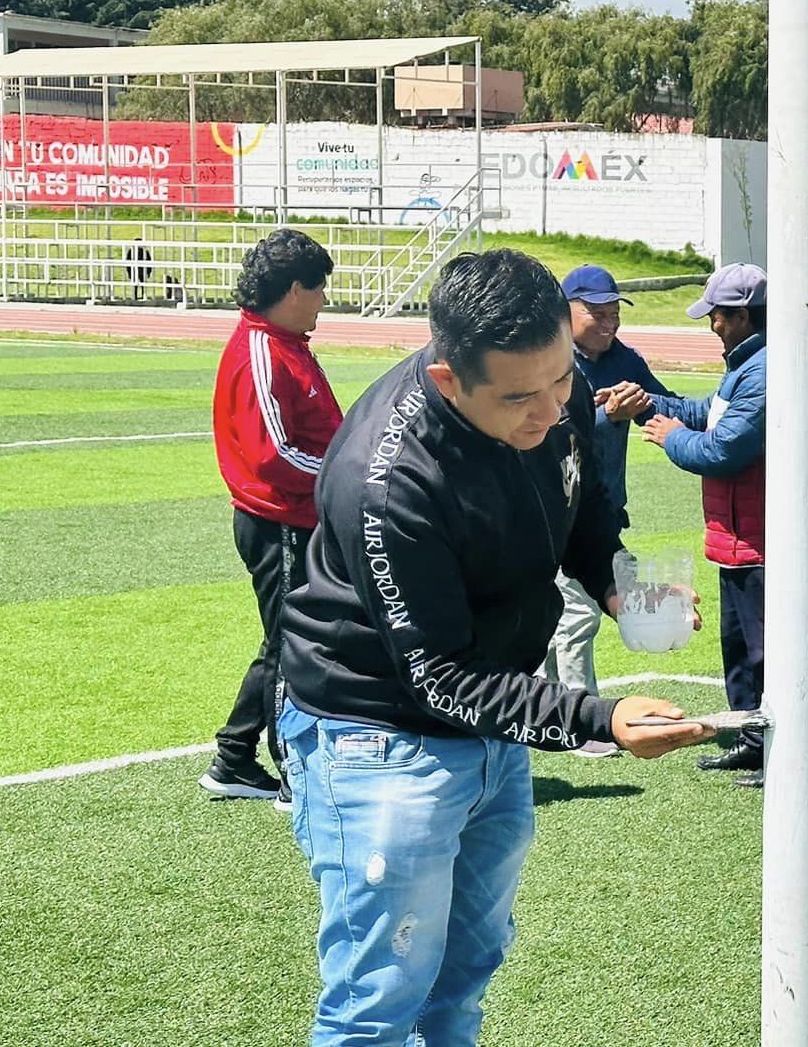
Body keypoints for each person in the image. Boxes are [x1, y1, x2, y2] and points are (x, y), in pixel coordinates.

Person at [274, 249, 713, 1047]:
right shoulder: (388, 482)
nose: (550, 410)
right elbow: (440, 678)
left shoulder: (553, 386)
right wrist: (598, 719)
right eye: (520, 397)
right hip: (379, 734)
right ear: (448, 380)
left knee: (467, 967)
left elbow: (583, 506)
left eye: (560, 379)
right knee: (377, 999)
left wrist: (617, 587)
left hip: (493, 728)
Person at [201, 228, 341, 808]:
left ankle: (235, 756)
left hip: (296, 518)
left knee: (284, 638)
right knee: (290, 643)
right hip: (279, 521)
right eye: (319, 289)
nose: (324, 301)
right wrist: (345, 475)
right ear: (291, 290)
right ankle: (293, 773)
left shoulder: (285, 342)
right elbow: (273, 453)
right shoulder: (262, 347)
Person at [642, 262, 769, 788]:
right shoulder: (746, 365)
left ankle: (778, 751)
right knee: (739, 648)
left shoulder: (764, 370)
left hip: (761, 539)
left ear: (740, 316)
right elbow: (706, 413)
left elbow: (723, 449)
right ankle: (753, 739)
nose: (711, 325)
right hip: (737, 537)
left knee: (765, 654)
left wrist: (669, 435)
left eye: (716, 315)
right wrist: (649, 404)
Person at [543, 264, 677, 759]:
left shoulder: (624, 359)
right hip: (554, 507)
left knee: (563, 611)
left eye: (614, 311)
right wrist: (604, 414)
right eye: (596, 312)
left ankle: (548, 708)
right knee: (578, 614)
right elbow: (546, 429)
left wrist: (643, 399)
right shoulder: (550, 358)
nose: (609, 322)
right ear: (567, 312)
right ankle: (584, 724)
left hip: (601, 510)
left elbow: (667, 405)